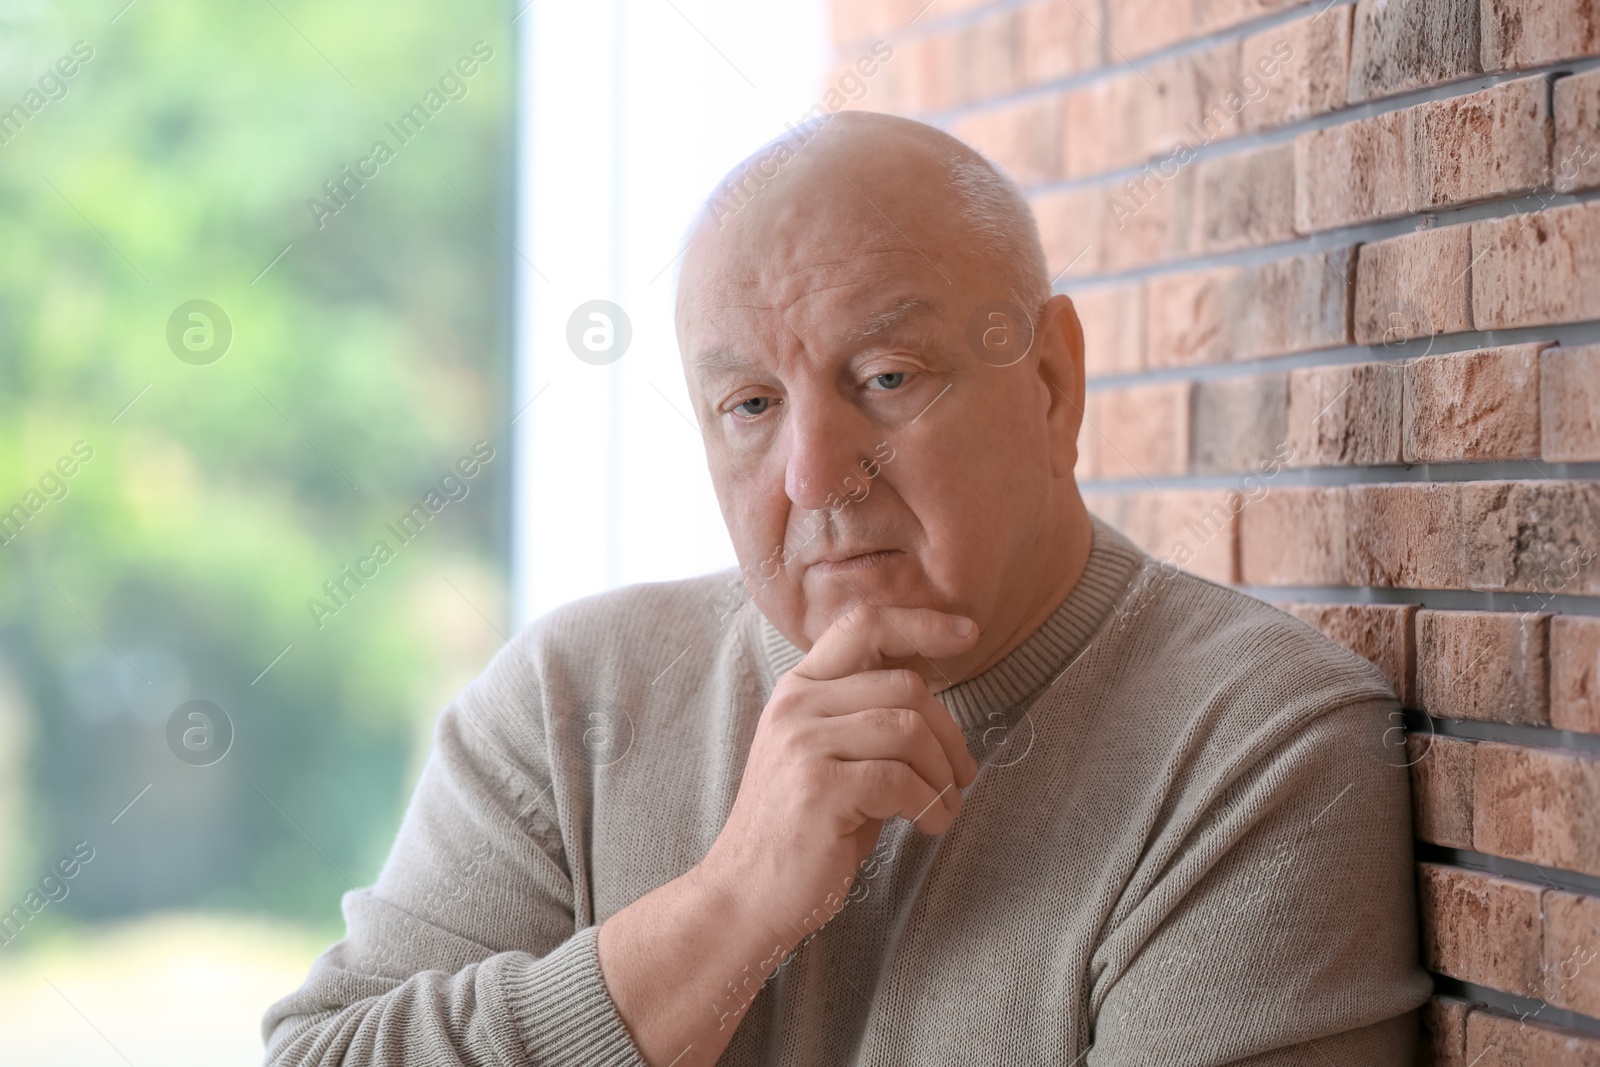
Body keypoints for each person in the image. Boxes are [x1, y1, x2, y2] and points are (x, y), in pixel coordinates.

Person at [263, 110, 1432, 1066]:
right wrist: (727, 908)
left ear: (1051, 382)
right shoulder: (568, 703)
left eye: (884, 376)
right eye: (752, 406)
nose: (815, 472)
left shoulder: (1261, 749)